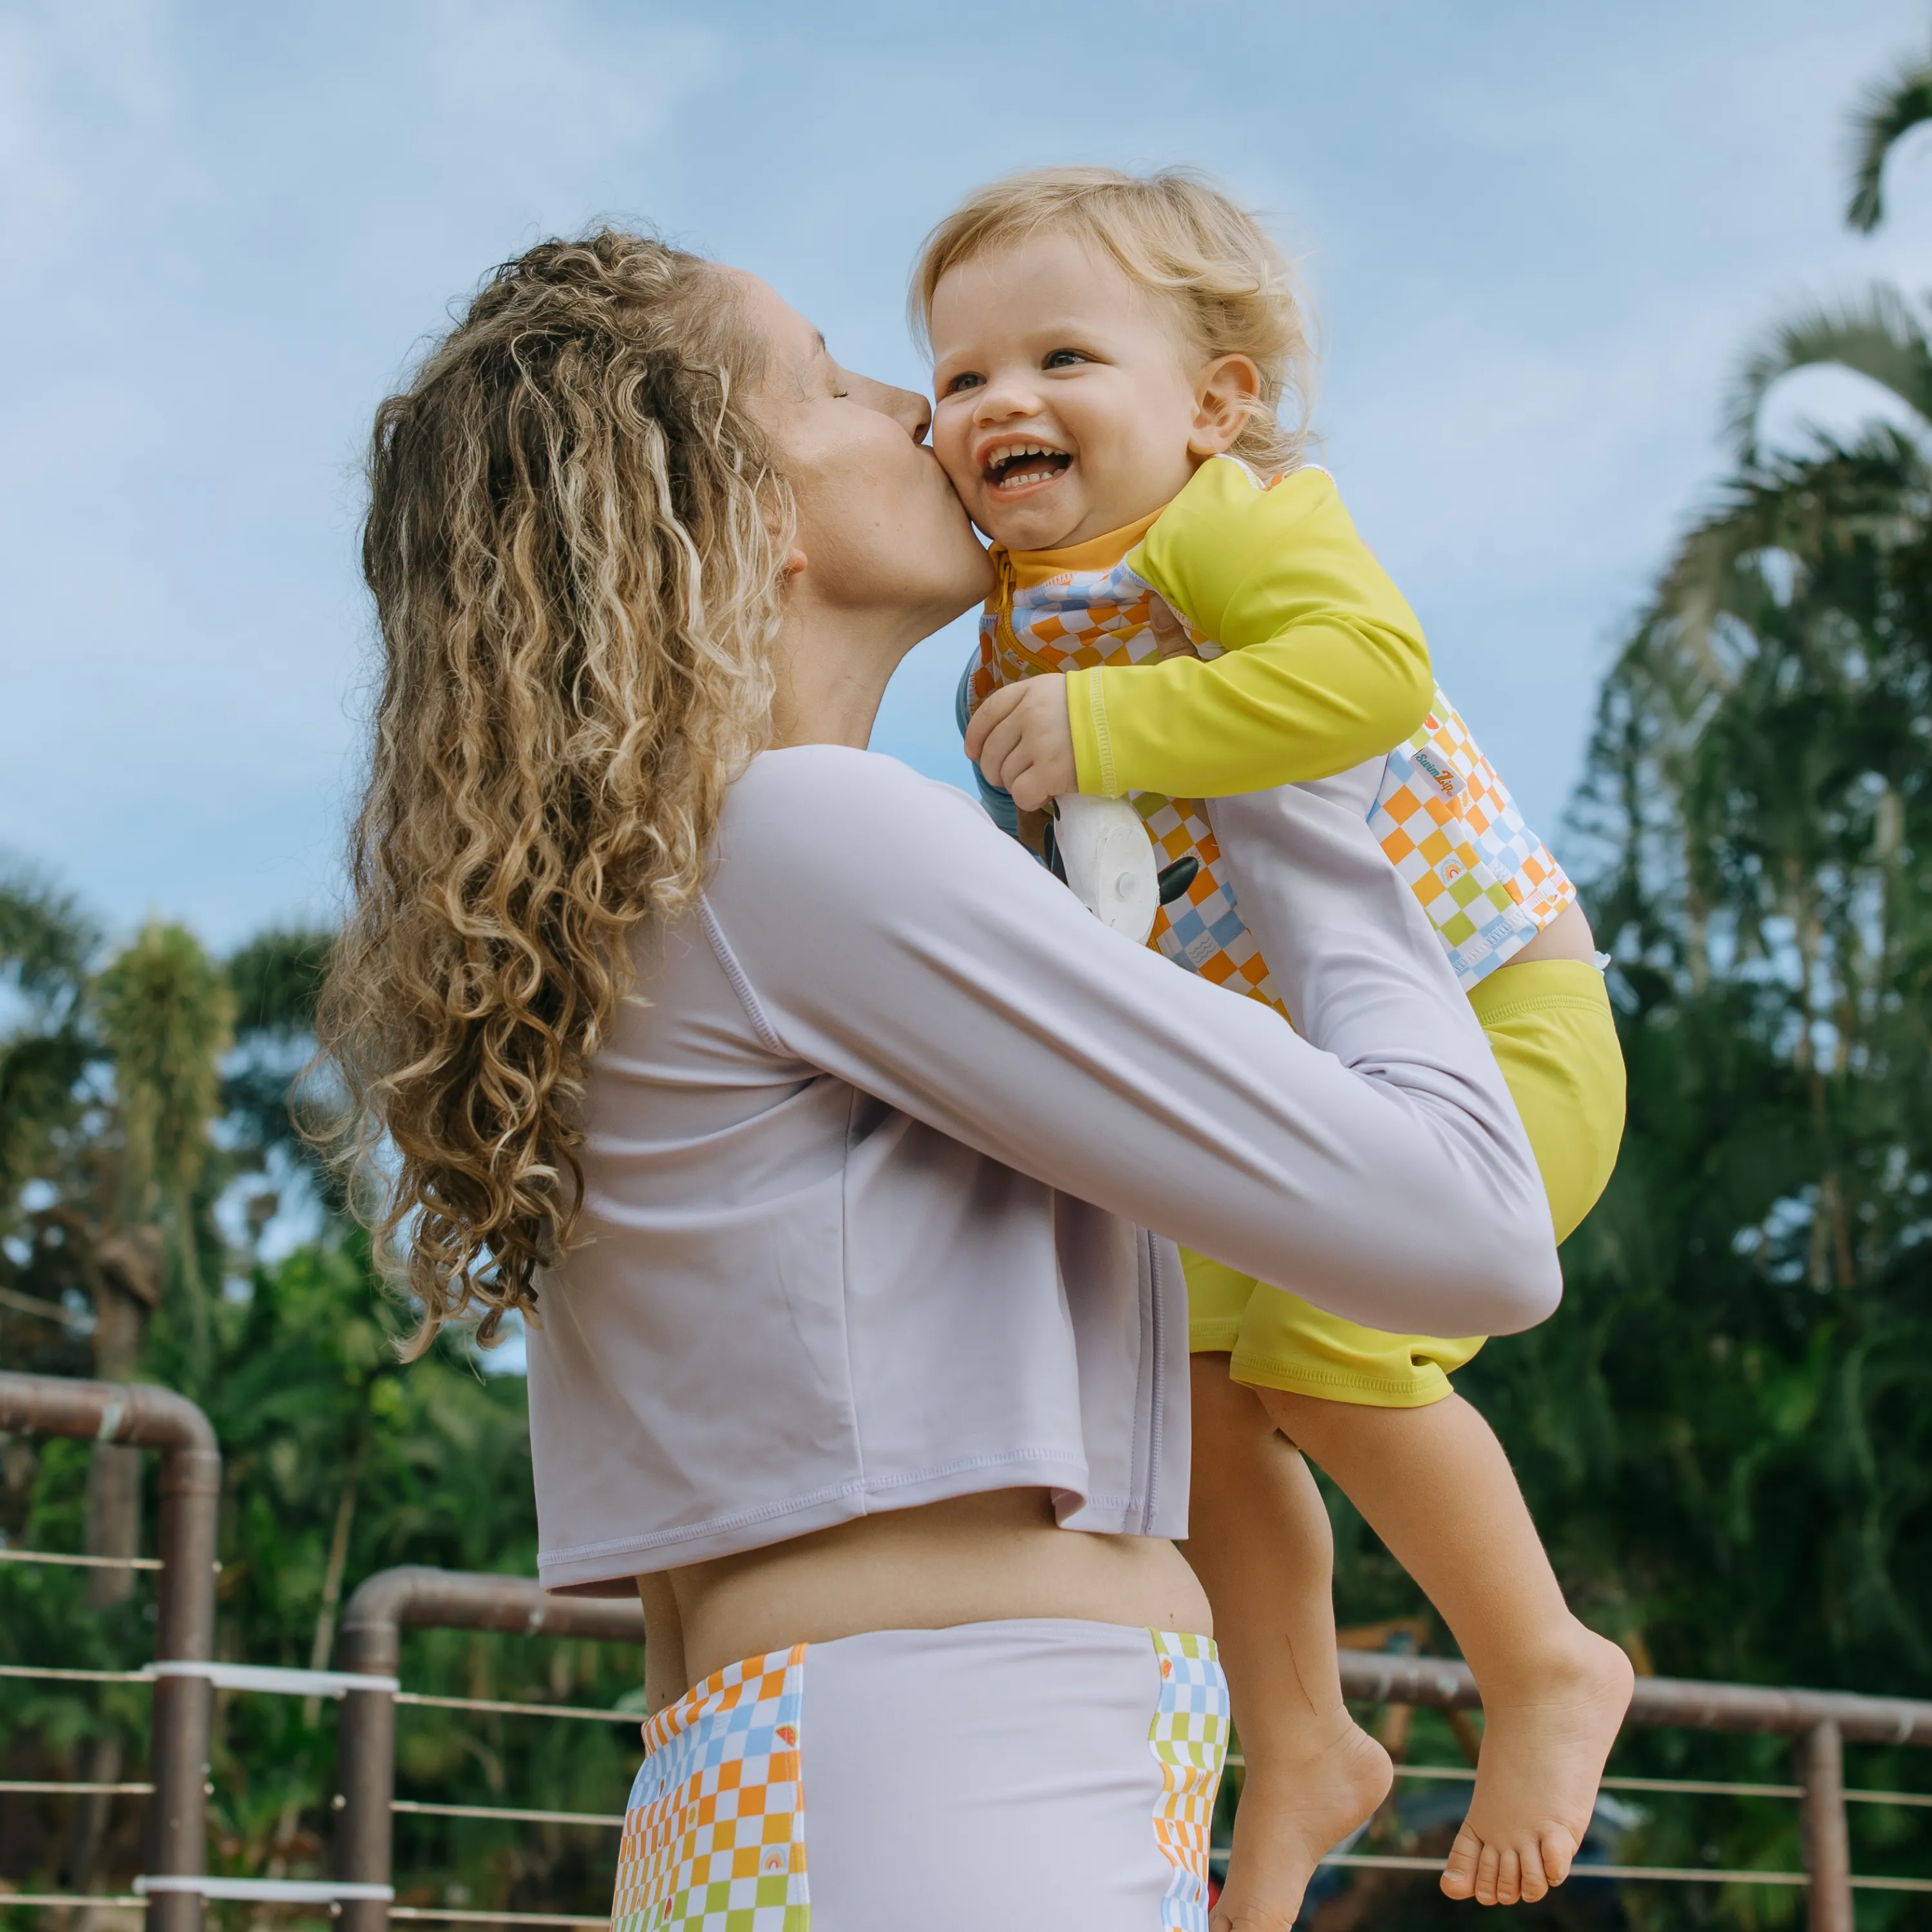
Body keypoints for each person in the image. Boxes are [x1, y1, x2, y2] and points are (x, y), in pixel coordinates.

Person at [317, 227, 1561, 1932]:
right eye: (831, 382)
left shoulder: (656, 899)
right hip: (957, 1772)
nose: (924, 407)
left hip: (811, 1774)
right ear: (741, 525)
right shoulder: (804, 841)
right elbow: (1479, 1232)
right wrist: (1294, 793)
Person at [920, 167, 1633, 1922]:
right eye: (957, 378)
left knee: (1324, 1360)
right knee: (1201, 1403)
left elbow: (1368, 672)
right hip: (1301, 1092)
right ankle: (1301, 1739)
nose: (1001, 401)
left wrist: (1099, 719)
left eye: (1063, 353)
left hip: (1493, 1021)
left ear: (1215, 401)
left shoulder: (1231, 520)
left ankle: (1542, 1661)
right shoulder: (1013, 633)